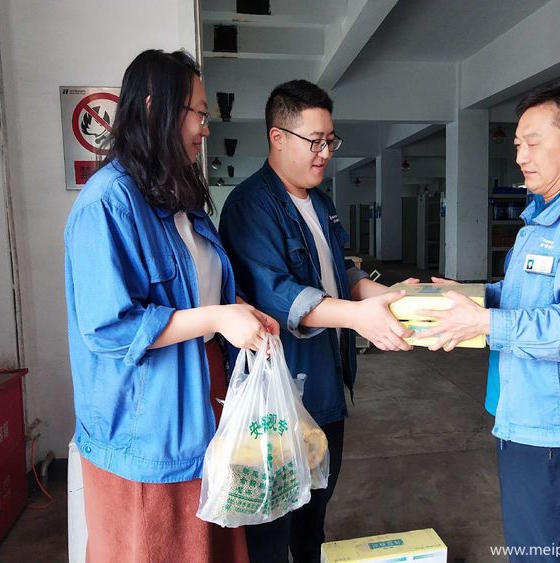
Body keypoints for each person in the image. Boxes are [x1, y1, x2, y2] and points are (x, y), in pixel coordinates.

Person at [64, 49, 278, 563]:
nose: (206, 127)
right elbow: (109, 328)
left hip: (204, 398)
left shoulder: (175, 193)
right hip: (147, 424)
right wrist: (217, 318)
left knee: (209, 542)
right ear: (155, 108)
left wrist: (237, 309)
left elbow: (195, 288)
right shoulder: (107, 202)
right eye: (198, 113)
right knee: (154, 545)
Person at [418, 84, 560, 562]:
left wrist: (485, 323)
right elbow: (530, 294)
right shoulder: (548, 214)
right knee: (536, 542)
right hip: (530, 409)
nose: (521, 156)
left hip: (556, 423)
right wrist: (475, 296)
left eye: (534, 143)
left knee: (544, 549)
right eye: (518, 144)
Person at [219, 79, 414, 563]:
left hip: (326, 387)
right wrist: (359, 318)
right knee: (272, 522)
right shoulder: (250, 207)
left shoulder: (319, 202)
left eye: (330, 140)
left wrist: (383, 296)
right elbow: (278, 294)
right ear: (278, 137)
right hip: (281, 393)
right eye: (315, 141)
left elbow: (336, 269)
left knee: (314, 514)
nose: (325, 153)